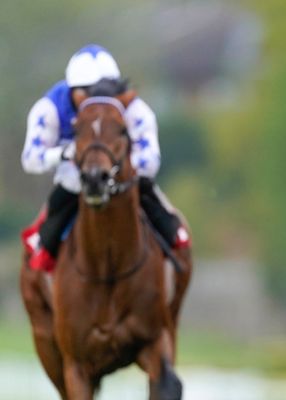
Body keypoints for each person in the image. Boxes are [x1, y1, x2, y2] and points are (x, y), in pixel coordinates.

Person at [21, 44, 189, 272]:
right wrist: (63, 154)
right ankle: (44, 245)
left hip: (122, 177)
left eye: (104, 91)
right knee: (70, 185)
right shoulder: (48, 109)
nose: (96, 100)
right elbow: (30, 159)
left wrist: (116, 169)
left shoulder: (134, 110)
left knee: (146, 188)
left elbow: (150, 161)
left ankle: (172, 235)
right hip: (73, 176)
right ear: (72, 90)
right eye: (87, 92)